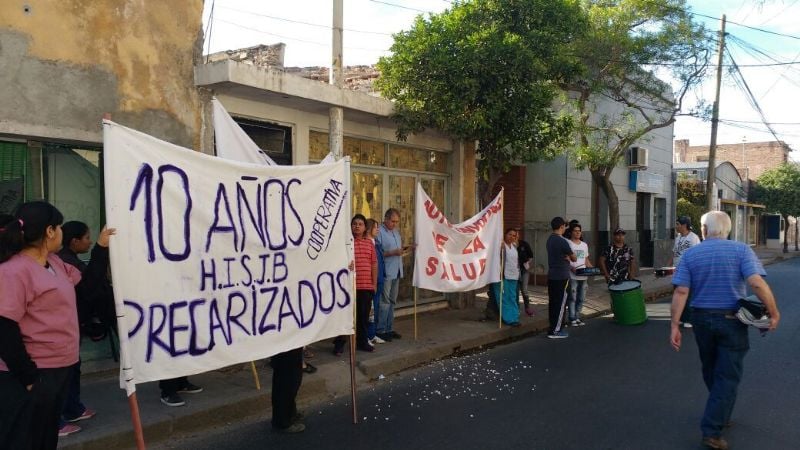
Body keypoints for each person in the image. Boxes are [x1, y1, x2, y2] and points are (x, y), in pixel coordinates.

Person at [670, 211, 779, 450]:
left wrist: (674, 324)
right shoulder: (741, 250)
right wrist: (773, 311)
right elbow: (757, 283)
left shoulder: (691, 254)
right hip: (731, 321)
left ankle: (720, 411)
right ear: (727, 229)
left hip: (700, 321)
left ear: (704, 229)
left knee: (711, 369)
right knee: (727, 375)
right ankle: (712, 430)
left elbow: (680, 292)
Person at [0, 201, 101, 449]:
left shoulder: (55, 263)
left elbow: (88, 289)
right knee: (23, 441)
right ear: (49, 231)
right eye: (59, 227)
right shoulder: (13, 271)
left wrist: (101, 250)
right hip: (29, 374)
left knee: (45, 439)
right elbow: (4, 329)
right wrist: (30, 378)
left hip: (58, 369)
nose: (62, 232)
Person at [56, 221, 115, 437]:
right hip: (55, 338)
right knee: (60, 377)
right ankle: (56, 419)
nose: (89, 241)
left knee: (72, 369)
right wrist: (100, 248)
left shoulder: (58, 262)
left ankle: (72, 408)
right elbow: (88, 288)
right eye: (87, 238)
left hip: (70, 329)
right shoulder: (54, 264)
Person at [333, 214, 377, 354]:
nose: (357, 226)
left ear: (365, 228)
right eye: (354, 224)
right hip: (348, 287)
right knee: (345, 317)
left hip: (366, 286)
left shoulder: (369, 243)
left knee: (363, 318)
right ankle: (339, 344)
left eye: (360, 224)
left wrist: (374, 284)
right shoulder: (346, 242)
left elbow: (374, 263)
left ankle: (362, 342)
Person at [376, 208, 413, 342]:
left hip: (397, 270)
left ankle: (389, 328)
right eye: (392, 221)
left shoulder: (396, 232)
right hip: (386, 271)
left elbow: (398, 251)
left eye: (396, 222)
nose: (394, 224)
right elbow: (378, 254)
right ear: (385, 219)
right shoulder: (379, 232)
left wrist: (406, 249)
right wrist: (393, 252)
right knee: (384, 302)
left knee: (392, 301)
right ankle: (380, 330)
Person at [545, 217, 576, 339]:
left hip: (552, 275)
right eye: (564, 226)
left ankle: (552, 327)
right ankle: (556, 330)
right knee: (561, 304)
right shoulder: (562, 241)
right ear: (562, 227)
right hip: (562, 276)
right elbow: (573, 257)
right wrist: (569, 258)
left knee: (553, 303)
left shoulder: (550, 240)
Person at [668, 216, 701, 329]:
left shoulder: (694, 238)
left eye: (677, 224)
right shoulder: (678, 237)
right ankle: (681, 318)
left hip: (688, 270)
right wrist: (669, 266)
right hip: (677, 269)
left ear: (684, 225)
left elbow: (697, 254)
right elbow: (674, 253)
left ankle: (689, 319)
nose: (676, 226)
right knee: (677, 293)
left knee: (687, 295)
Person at [270, 347, 305, 433]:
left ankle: (289, 413)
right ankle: (282, 421)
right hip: (285, 348)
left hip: (289, 346)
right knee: (287, 381)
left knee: (291, 379)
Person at [490, 228, 521, 326]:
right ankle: (508, 319)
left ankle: (515, 317)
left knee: (513, 297)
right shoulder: (501, 246)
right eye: (510, 234)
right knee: (503, 298)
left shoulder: (514, 246)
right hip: (503, 276)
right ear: (505, 234)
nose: (512, 237)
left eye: (514, 235)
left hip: (514, 276)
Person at [567, 223, 593, 327]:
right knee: (572, 297)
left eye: (579, 231)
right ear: (571, 232)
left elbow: (586, 260)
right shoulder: (568, 243)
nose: (578, 233)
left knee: (581, 298)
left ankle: (577, 316)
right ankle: (572, 318)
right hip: (573, 275)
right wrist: (571, 267)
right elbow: (566, 258)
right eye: (575, 231)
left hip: (583, 275)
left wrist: (592, 268)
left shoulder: (584, 245)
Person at [365, 219, 386, 345]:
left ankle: (372, 334)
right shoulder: (367, 243)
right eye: (375, 227)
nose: (378, 230)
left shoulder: (376, 243)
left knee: (375, 308)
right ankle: (366, 335)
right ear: (369, 229)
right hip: (370, 282)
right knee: (369, 310)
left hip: (379, 280)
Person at [516, 232, 534, 317]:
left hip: (524, 270)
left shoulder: (524, 244)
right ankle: (516, 309)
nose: (514, 237)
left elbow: (531, 256)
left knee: (524, 289)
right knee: (515, 291)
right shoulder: (508, 246)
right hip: (514, 271)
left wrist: (528, 263)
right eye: (511, 235)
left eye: (516, 235)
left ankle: (527, 307)